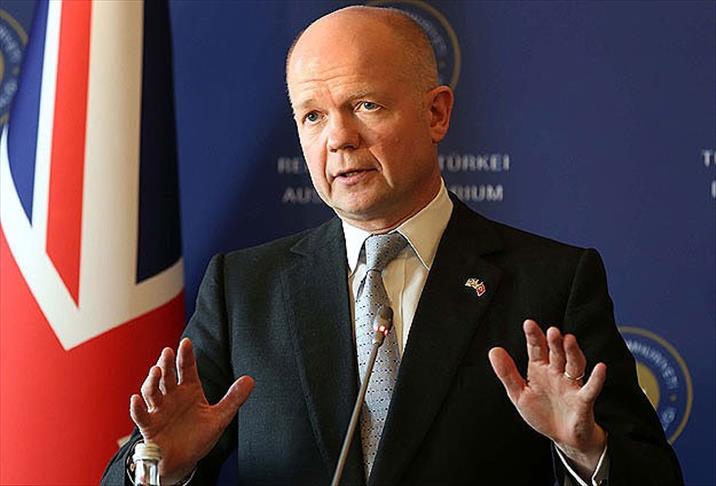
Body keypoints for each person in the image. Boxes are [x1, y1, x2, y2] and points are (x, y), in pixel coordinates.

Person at [102, 6, 682, 486]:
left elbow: (652, 474)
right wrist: (161, 466)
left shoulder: (551, 282)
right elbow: (133, 471)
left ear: (436, 113)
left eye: (365, 105)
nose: (339, 138)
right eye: (312, 116)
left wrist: (588, 451)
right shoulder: (243, 289)